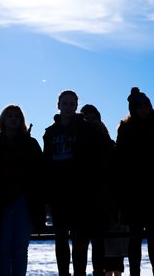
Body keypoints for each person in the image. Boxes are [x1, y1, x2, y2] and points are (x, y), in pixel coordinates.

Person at [42, 90, 106, 276]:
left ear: (76, 106)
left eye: (72, 104)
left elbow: (98, 159)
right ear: (58, 105)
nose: (68, 107)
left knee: (80, 240)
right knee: (61, 238)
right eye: (65, 103)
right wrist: (47, 195)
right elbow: (46, 164)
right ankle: (63, 273)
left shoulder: (87, 129)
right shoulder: (50, 133)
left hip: (82, 194)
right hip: (59, 194)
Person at [0, 104, 45, 276]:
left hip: (25, 200)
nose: (13, 119)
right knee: (2, 248)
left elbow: (40, 172)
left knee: (20, 249)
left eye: (17, 116)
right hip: (0, 202)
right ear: (3, 120)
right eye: (10, 116)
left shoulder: (31, 144)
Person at [115, 87, 154, 276]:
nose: (143, 109)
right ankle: (135, 272)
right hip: (133, 192)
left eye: (146, 105)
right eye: (139, 106)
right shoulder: (126, 129)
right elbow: (120, 162)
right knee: (134, 238)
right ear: (133, 108)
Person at [80, 103, 115, 276]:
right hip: (82, 198)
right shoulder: (78, 139)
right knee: (82, 243)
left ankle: (98, 273)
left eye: (94, 118)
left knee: (98, 243)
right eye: (86, 118)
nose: (90, 122)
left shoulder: (107, 141)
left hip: (101, 199)